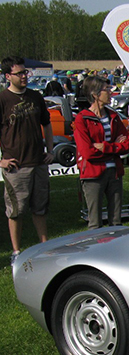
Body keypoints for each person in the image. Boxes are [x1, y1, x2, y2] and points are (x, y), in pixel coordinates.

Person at [0, 56, 54, 266]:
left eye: (25, 72)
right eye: (19, 73)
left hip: (38, 162)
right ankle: (16, 251)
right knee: (16, 210)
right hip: (16, 166)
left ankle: (44, 246)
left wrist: (50, 150)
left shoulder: (35, 97)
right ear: (8, 76)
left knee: (40, 208)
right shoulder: (3, 100)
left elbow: (47, 125)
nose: (24, 76)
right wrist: (1, 162)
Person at [74, 76, 129, 230]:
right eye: (106, 89)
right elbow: (87, 152)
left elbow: (127, 144)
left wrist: (106, 148)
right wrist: (114, 147)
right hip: (93, 174)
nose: (110, 92)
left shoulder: (113, 117)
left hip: (114, 172)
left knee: (116, 220)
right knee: (95, 222)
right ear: (95, 94)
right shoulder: (82, 119)